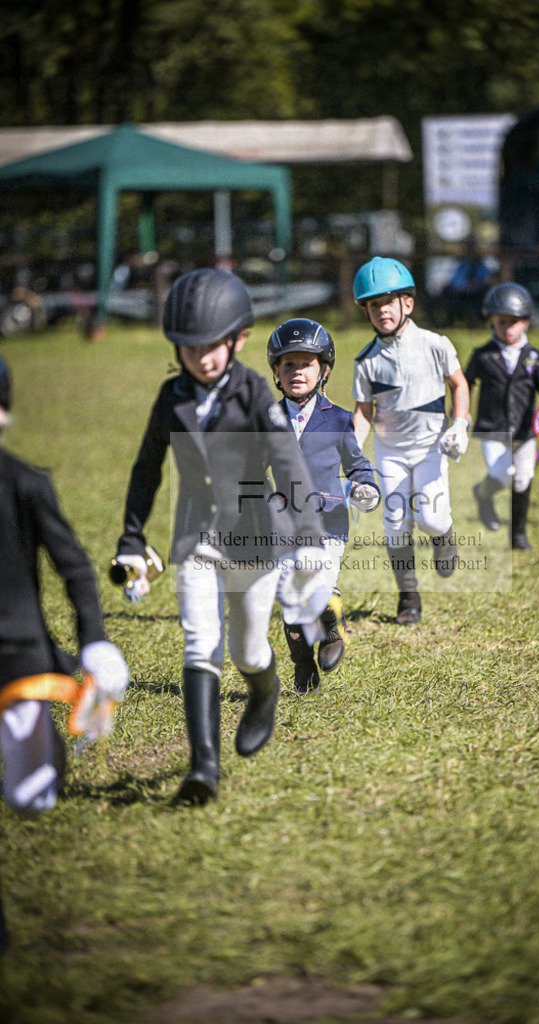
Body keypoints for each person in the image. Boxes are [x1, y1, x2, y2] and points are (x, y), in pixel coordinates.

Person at [113, 268, 326, 806]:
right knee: (199, 642)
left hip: (254, 537)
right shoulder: (171, 397)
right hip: (196, 538)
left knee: (248, 650)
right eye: (189, 348)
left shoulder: (256, 393)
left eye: (212, 346)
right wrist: (131, 539)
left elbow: (288, 462)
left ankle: (264, 690)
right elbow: (147, 470)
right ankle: (203, 768)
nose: (202, 358)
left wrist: (307, 533)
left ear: (238, 340)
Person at [0, 353, 128, 948]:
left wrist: (94, 642)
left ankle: (51, 748)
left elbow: (75, 567)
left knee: (31, 799)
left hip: (20, 662)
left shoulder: (25, 482)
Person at [351, 256, 470, 626]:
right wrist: (351, 453)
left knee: (431, 520)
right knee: (396, 525)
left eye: (389, 301)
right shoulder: (366, 360)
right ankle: (409, 598)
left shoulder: (436, 344)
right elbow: (363, 412)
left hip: (431, 446)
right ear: (366, 311)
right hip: (391, 452)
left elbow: (459, 385)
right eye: (373, 304)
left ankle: (443, 535)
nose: (382, 309)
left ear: (408, 303)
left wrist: (460, 424)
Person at [267, 318, 380, 694]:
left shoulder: (340, 420)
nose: (297, 372)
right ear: (276, 372)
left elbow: (359, 465)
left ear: (324, 370)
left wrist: (366, 486)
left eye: (307, 363)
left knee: (316, 583)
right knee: (291, 606)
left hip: (329, 523)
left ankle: (333, 628)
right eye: (288, 364)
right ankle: (303, 667)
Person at [464, 283, 539, 550]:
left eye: (514, 322)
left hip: (524, 431)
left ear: (527, 322)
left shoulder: (534, 357)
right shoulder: (483, 355)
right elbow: (464, 384)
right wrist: (460, 414)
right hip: (492, 429)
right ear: (492, 322)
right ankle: (482, 494)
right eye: (501, 322)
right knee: (501, 474)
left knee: (522, 478)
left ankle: (518, 535)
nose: (508, 328)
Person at [438, 237, 492, 328]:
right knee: (447, 294)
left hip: (474, 293)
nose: (468, 250)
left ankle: (475, 322)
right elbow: (453, 280)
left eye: (471, 248)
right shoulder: (461, 264)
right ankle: (449, 322)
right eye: (466, 248)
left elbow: (483, 281)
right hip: (458, 291)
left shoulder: (482, 265)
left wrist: (470, 287)